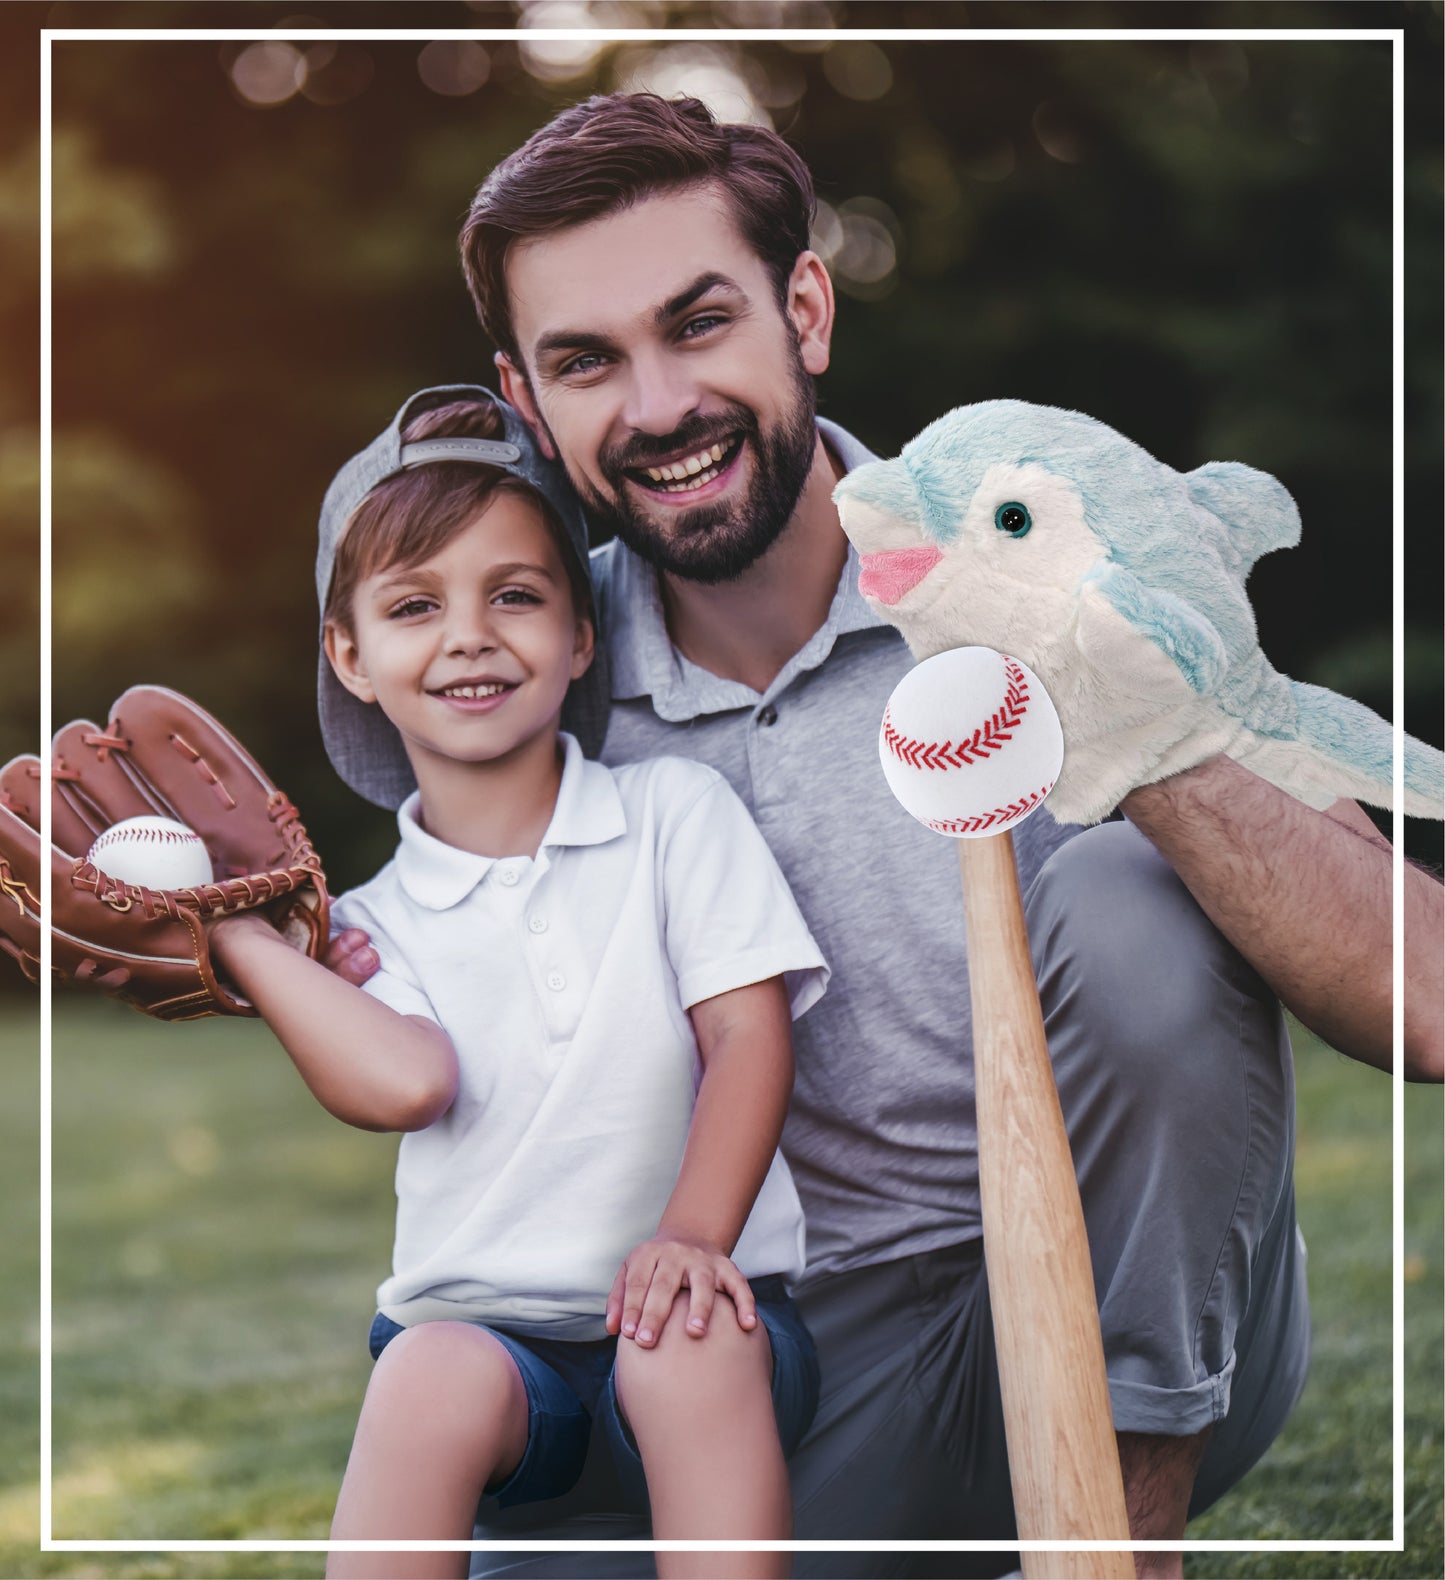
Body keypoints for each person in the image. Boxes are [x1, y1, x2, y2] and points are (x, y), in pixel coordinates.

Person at [329, 95, 1444, 1579]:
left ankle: (1113, 1558)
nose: (656, 406)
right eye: (587, 361)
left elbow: (1422, 1001)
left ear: (805, 309)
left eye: (699, 322)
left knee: (1131, 894)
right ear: (526, 401)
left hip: (1110, 1318)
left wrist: (1130, 713)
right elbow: (321, 874)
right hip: (747, 1364)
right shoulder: (531, 661)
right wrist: (172, 925)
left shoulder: (1025, 553)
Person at [211, 386, 829, 1580]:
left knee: (684, 1336)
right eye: (410, 605)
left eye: (514, 594)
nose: (468, 635)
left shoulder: (670, 816)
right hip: (500, 1368)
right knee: (425, 1371)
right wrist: (245, 940)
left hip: (710, 1317)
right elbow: (404, 1082)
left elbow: (749, 1039)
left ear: (580, 631)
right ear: (349, 653)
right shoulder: (368, 926)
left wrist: (692, 1237)